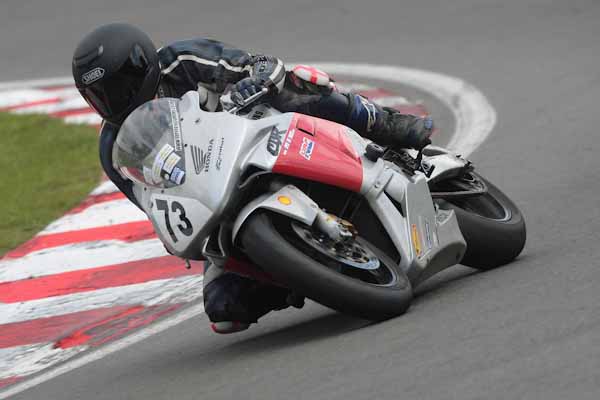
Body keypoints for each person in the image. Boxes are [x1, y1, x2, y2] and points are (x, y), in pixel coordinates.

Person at [72, 23, 434, 334]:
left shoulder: (181, 61)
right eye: (97, 96)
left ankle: (385, 124)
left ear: (142, 66)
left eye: (118, 87)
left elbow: (258, 63)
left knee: (299, 84)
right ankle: (300, 272)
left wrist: (253, 80)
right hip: (216, 199)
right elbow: (156, 205)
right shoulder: (114, 150)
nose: (111, 101)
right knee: (223, 310)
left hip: (258, 131)